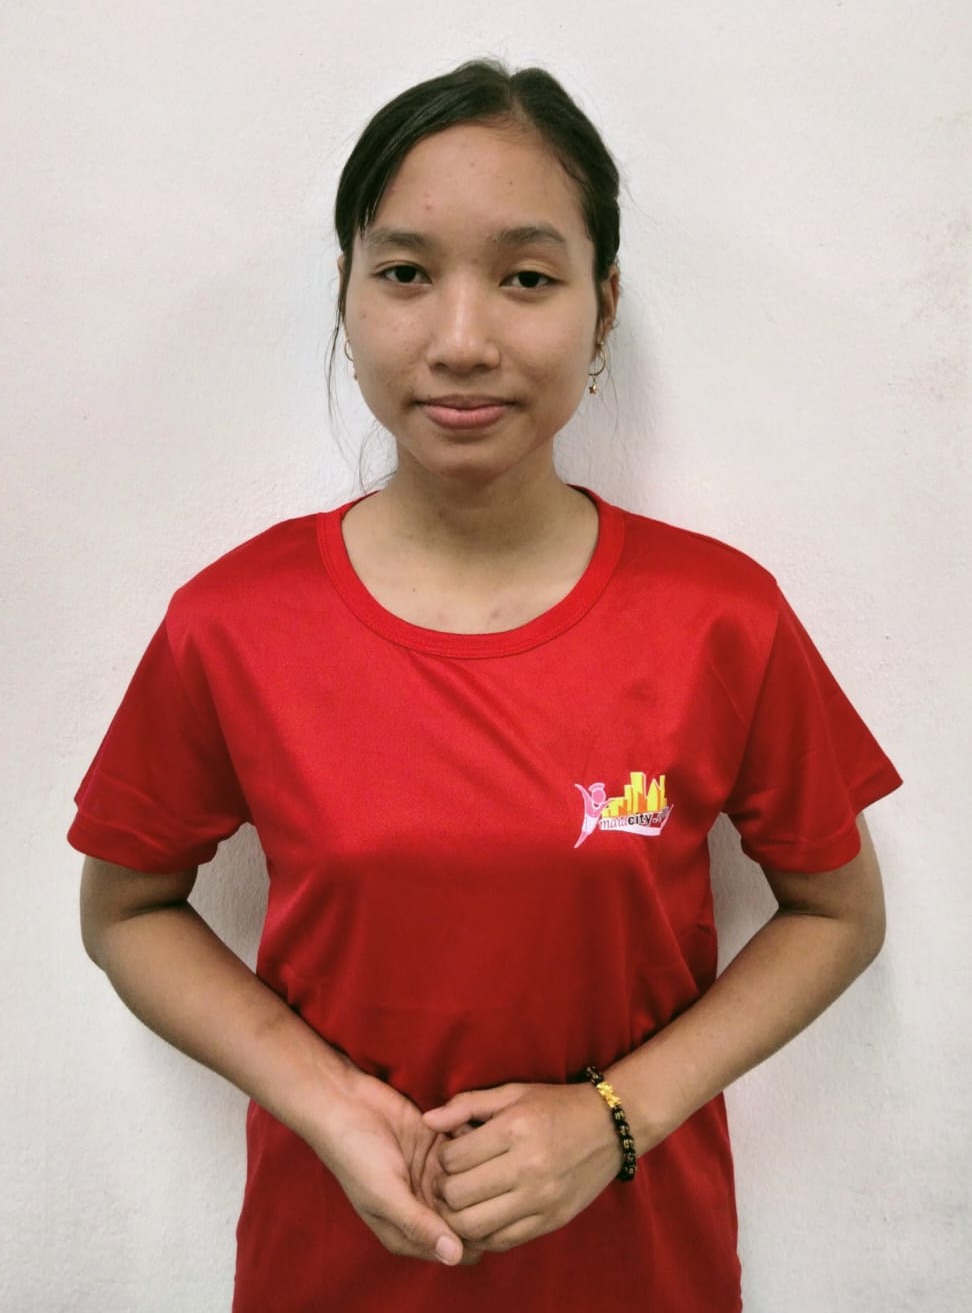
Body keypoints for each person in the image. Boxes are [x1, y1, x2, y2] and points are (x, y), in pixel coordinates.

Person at [71, 59, 901, 1313]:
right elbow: (126, 907)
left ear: (602, 308)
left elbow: (838, 912)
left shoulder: (721, 618)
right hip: (330, 1273)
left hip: (642, 1276)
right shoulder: (231, 624)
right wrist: (325, 1098)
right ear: (346, 298)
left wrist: (616, 1115)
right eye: (406, 273)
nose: (462, 341)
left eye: (526, 277)